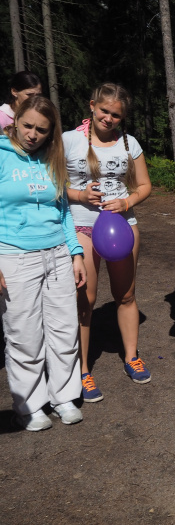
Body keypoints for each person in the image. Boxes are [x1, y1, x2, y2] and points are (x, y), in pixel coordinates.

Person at [0, 96, 87, 430]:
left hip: (58, 256)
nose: (32, 134)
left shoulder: (53, 159)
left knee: (64, 330)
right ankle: (30, 405)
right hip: (14, 257)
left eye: (41, 130)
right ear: (15, 120)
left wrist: (75, 252)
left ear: (51, 133)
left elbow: (64, 210)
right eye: (27, 126)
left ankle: (64, 397)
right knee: (24, 334)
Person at [63, 83, 153, 402]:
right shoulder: (69, 141)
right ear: (92, 106)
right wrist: (79, 194)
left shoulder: (129, 143)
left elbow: (144, 186)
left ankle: (131, 357)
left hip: (122, 227)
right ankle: (83, 371)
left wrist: (127, 203)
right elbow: (51, 185)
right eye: (104, 111)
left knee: (126, 295)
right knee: (84, 300)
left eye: (116, 114)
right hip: (82, 228)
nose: (109, 118)